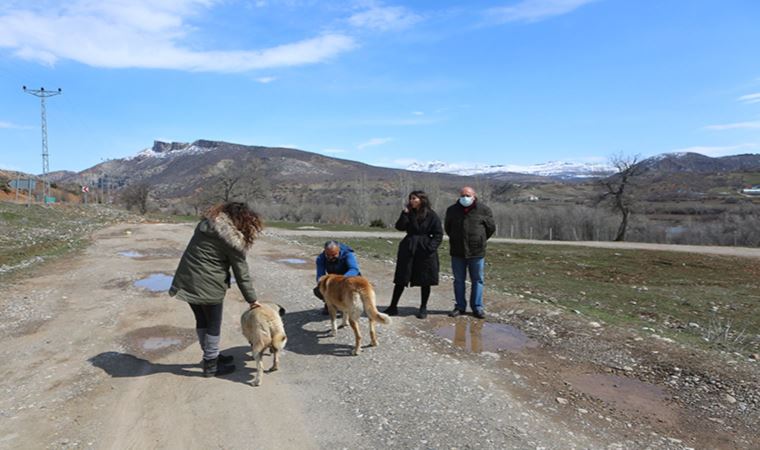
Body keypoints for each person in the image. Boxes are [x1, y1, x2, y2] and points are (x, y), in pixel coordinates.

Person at [169, 202, 263, 377]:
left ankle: (211, 356)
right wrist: (252, 300)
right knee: (213, 324)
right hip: (208, 284)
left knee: (202, 320)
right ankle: (211, 366)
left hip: (186, 278)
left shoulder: (205, 225)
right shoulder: (233, 241)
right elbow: (241, 274)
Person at [384, 190, 443, 319]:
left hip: (424, 248)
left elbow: (438, 234)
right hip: (408, 247)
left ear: (422, 200)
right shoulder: (408, 213)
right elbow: (399, 227)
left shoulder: (432, 215)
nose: (411, 201)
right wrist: (404, 214)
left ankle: (423, 307)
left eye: (414, 198)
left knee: (425, 279)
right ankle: (393, 306)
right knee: (401, 277)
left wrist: (430, 247)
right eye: (410, 198)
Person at [444, 186, 496, 319]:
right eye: (462, 195)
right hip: (457, 251)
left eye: (467, 195)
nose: (464, 198)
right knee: (459, 280)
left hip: (476, 251)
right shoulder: (452, 210)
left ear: (474, 196)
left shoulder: (484, 210)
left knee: (477, 280)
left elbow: (490, 228)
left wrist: (480, 239)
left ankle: (477, 307)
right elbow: (448, 228)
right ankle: (460, 306)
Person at [313, 240, 361, 314]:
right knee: (318, 290)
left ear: (339, 250)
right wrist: (324, 287)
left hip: (348, 279)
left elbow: (354, 269)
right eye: (328, 255)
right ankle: (330, 303)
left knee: (346, 290)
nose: (330, 257)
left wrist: (341, 280)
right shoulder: (321, 258)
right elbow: (320, 276)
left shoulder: (348, 254)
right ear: (325, 251)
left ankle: (345, 305)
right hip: (334, 281)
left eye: (333, 255)